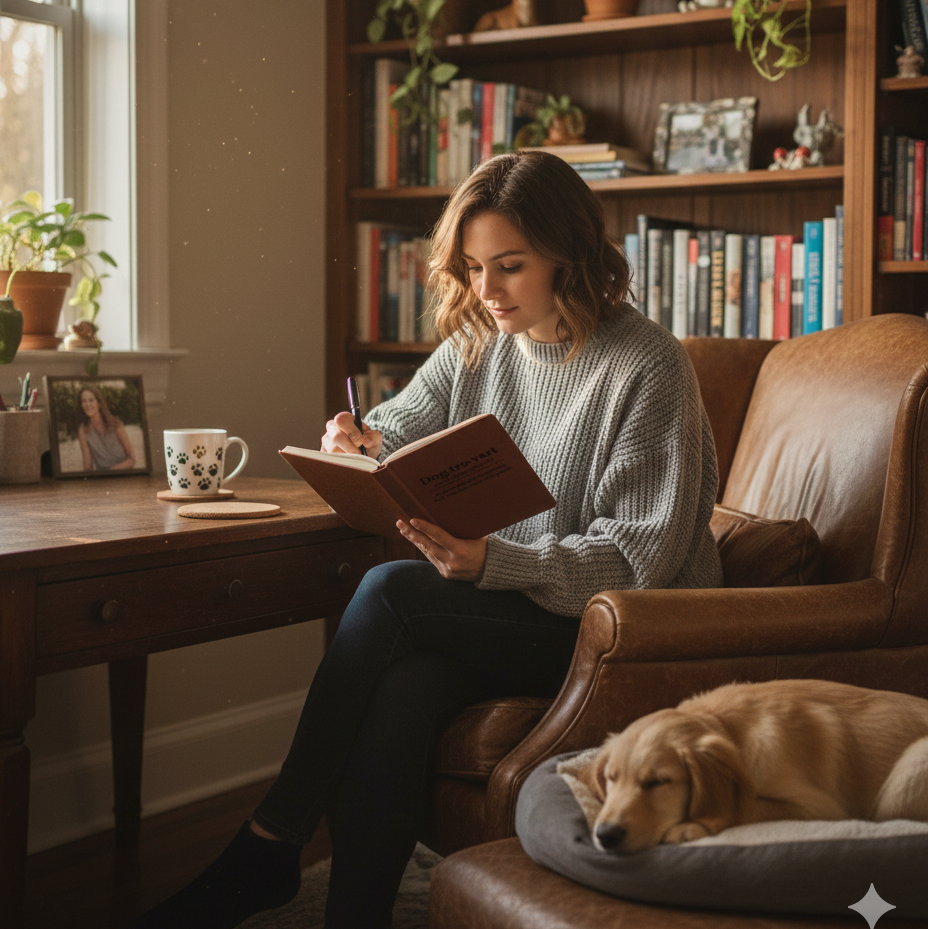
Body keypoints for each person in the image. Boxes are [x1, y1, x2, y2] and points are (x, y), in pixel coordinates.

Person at [130, 150, 723, 929]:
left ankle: (268, 842)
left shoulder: (647, 365)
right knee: (405, 688)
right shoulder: (481, 342)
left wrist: (493, 559)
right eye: (474, 267)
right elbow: (400, 429)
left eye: (508, 266)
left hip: (615, 630)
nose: (486, 290)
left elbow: (636, 561)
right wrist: (357, 438)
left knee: (389, 593)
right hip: (519, 605)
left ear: (570, 255)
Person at [75, 384, 136, 471]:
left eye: (91, 400)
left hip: (123, 474)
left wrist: (112, 470)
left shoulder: (116, 424)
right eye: (84, 401)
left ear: (99, 403)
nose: (87, 404)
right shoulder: (83, 430)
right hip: (103, 480)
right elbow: (88, 466)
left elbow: (132, 459)